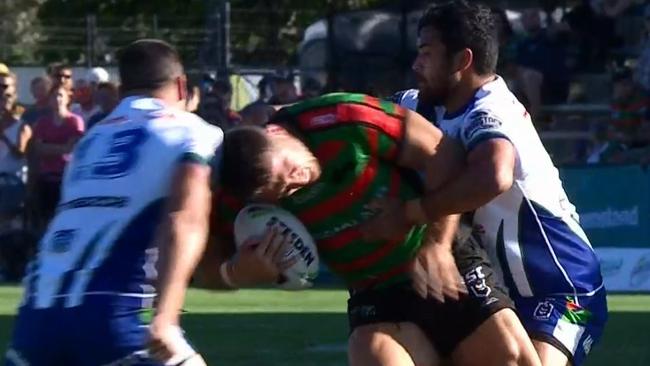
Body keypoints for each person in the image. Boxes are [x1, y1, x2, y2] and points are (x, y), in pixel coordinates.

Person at [208, 92, 540, 366]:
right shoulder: (238, 195)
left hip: (443, 261)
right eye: (285, 192)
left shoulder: (344, 117)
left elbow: (445, 156)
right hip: (375, 292)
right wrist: (236, 272)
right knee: (373, 356)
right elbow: (198, 265)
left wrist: (435, 243)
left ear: (276, 132)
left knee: (512, 358)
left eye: (291, 170)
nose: (299, 182)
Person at [386, 2, 607, 365]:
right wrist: (283, 122)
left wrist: (415, 212)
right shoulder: (424, 105)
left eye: (427, 53)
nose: (416, 65)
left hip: (564, 292)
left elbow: (494, 176)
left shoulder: (493, 110)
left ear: (462, 61)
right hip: (493, 292)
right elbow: (356, 117)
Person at [4, 39, 223, 366]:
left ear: (122, 90)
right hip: (113, 313)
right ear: (181, 86)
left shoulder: (90, 141)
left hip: (36, 313)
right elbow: (184, 218)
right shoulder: (192, 131)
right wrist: (166, 316)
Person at [31, 85, 85, 225]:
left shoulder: (74, 121)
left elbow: (70, 148)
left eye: (61, 95)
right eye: (54, 95)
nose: (57, 99)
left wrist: (48, 148)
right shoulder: (43, 123)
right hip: (46, 177)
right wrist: (59, 148)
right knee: (46, 218)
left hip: (67, 178)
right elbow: (38, 149)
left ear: (68, 98)